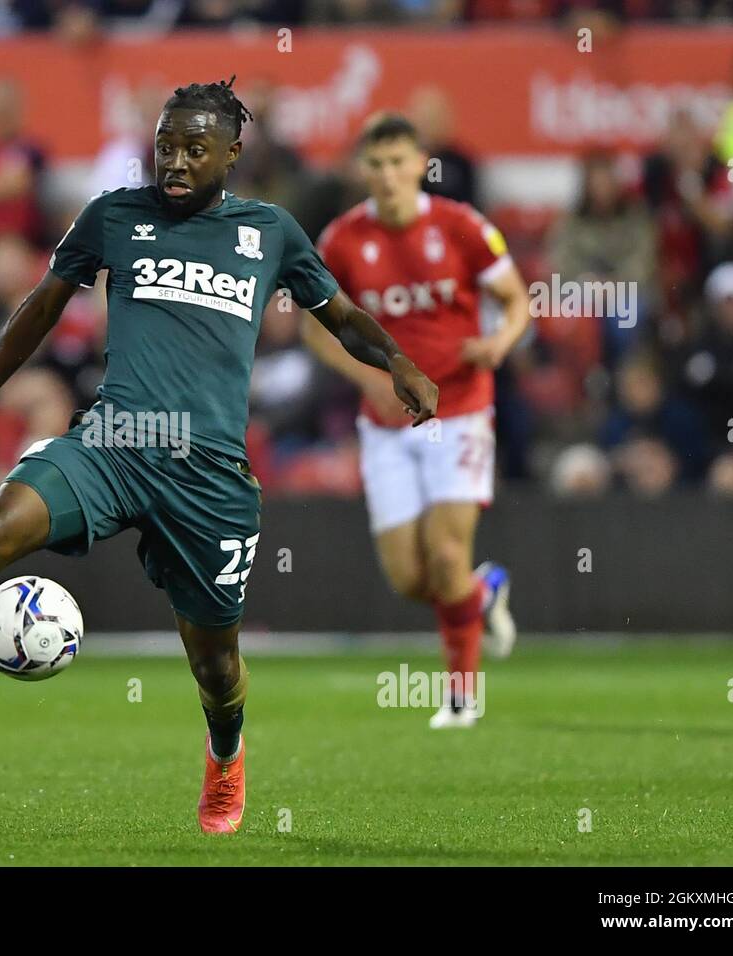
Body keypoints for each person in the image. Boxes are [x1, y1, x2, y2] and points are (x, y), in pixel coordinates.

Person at [0, 77, 438, 833]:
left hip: (209, 477)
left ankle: (226, 757)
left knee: (215, 664)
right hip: (115, 443)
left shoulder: (269, 231)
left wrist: (396, 362)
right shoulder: (116, 215)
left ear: (232, 154)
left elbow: (337, 314)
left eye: (194, 149)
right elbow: (39, 308)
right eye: (165, 145)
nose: (174, 161)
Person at [302, 113, 530, 729]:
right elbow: (315, 327)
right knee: (410, 577)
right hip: (386, 426)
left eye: (399, 162)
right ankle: (484, 594)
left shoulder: (460, 226)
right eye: (375, 164)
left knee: (447, 553)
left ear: (419, 164)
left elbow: (516, 300)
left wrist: (498, 344)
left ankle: (461, 696)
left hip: (460, 411)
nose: (388, 175)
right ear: (362, 170)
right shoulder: (343, 240)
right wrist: (369, 379)